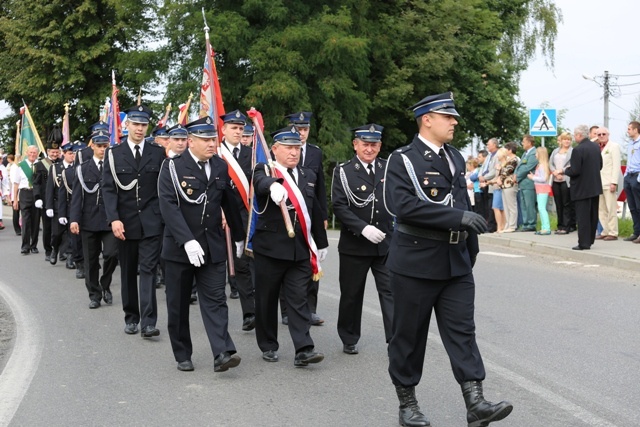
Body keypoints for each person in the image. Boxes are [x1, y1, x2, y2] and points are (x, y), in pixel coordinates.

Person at [384, 92, 512, 427]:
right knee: (409, 336)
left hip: (455, 261)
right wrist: (457, 219)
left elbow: (462, 201)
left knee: (462, 332)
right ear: (427, 119)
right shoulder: (403, 159)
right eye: (447, 117)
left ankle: (476, 403)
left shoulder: (455, 156)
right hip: (415, 262)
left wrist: (469, 247)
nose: (454, 122)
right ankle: (407, 405)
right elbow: (404, 206)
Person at [158, 116, 246, 372]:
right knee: (178, 303)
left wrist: (239, 236)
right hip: (179, 249)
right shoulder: (172, 168)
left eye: (213, 139)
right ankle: (182, 353)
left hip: (212, 246)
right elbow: (168, 206)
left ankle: (222, 353)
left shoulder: (219, 166)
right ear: (191, 141)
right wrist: (187, 241)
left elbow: (229, 203)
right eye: (206, 140)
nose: (211, 144)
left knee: (216, 299)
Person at [251, 126, 329, 367]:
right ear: (275, 149)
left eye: (297, 148)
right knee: (266, 299)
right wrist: (272, 185)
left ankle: (304, 348)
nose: (294, 152)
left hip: (299, 250)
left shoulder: (308, 175)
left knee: (298, 299)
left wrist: (321, 242)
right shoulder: (265, 168)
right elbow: (260, 181)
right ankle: (268, 344)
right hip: (271, 249)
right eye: (288, 148)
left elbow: (314, 210)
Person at [102, 104, 166, 337]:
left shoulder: (157, 153)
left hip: (151, 221)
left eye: (143, 124)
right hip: (125, 223)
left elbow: (162, 188)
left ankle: (149, 322)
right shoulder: (114, 154)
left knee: (148, 269)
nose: (140, 129)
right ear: (126, 125)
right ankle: (131, 317)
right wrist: (114, 219)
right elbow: (108, 190)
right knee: (128, 270)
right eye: (135, 124)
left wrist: (160, 216)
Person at [331, 124, 393, 355]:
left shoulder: (389, 168)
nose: (370, 149)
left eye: (374, 144)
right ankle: (349, 337)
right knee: (351, 294)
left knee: (391, 292)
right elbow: (338, 205)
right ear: (355, 145)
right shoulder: (344, 171)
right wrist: (363, 228)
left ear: (380, 146)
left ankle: (394, 339)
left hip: (386, 243)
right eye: (365, 144)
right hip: (355, 244)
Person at [282, 111, 327, 326]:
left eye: (305, 129)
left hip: (310, 215)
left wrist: (323, 217)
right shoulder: (282, 150)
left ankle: (310, 309)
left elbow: (320, 188)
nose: (302, 133)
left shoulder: (316, 153)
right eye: (298, 129)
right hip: (289, 215)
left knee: (312, 260)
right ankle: (285, 310)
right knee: (286, 261)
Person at [69, 131, 118, 309]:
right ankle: (94, 295)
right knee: (90, 261)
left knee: (111, 254)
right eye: (99, 146)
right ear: (93, 147)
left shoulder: (114, 166)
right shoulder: (82, 168)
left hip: (109, 220)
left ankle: (105, 284)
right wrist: (74, 219)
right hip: (88, 220)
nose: (103, 149)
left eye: (106, 146)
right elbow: (77, 197)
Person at [219, 109, 255, 331]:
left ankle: (250, 312)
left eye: (241, 128)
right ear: (223, 130)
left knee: (246, 265)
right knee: (228, 265)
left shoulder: (251, 154)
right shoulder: (216, 154)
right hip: (221, 217)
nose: (238, 132)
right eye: (234, 128)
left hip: (247, 217)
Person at [562, 124, 603, 250]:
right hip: (594, 186)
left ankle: (583, 243)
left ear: (579, 135)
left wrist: (565, 171)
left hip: (581, 188)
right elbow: (600, 165)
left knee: (583, 216)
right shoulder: (595, 147)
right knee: (592, 215)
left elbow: (575, 171)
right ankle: (590, 240)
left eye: (575, 135)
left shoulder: (578, 150)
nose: (574, 138)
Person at [33, 127, 62, 262]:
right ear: (48, 152)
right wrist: (37, 197)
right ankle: (48, 250)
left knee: (60, 227)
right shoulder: (40, 165)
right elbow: (37, 183)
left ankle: (60, 249)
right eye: (53, 152)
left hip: (60, 200)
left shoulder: (63, 164)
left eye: (57, 151)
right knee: (48, 227)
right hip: (46, 200)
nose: (55, 154)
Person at [58, 142, 85, 278]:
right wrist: (62, 213)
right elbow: (63, 194)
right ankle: (78, 262)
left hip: (90, 211)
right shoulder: (68, 173)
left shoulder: (91, 169)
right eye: (75, 153)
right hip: (73, 210)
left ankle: (88, 262)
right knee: (75, 239)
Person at [47, 141, 75, 266]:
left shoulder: (78, 168)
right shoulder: (55, 168)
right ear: (63, 154)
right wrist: (49, 206)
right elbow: (50, 188)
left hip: (73, 205)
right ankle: (55, 249)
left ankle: (70, 257)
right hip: (59, 205)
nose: (72, 156)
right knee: (57, 233)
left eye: (74, 153)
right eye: (70, 153)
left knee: (71, 233)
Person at [11, 145, 41, 255]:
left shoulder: (40, 165)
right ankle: (25, 246)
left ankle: (34, 245)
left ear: (37, 154)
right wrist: (15, 199)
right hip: (24, 193)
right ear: (27, 153)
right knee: (25, 220)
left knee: (36, 220)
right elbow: (16, 184)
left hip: (36, 194)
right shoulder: (20, 166)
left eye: (34, 153)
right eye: (31, 152)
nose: (32, 154)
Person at [594, 127, 621, 241]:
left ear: (608, 134)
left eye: (603, 134)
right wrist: (594, 139)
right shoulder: (596, 147)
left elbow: (616, 166)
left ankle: (613, 231)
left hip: (609, 181)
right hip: (598, 182)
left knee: (611, 208)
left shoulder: (614, 146)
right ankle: (604, 231)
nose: (601, 136)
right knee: (601, 209)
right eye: (598, 134)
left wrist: (614, 182)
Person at [549, 132, 576, 234]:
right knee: (558, 203)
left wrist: (561, 171)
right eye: (565, 139)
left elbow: (571, 164)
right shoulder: (555, 151)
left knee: (566, 204)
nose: (567, 141)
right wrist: (555, 172)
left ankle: (566, 226)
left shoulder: (573, 151)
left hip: (566, 179)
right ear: (561, 140)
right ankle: (559, 225)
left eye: (569, 139)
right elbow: (550, 163)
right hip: (556, 179)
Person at [514, 134, 538, 231]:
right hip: (523, 183)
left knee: (529, 204)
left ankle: (531, 224)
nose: (522, 144)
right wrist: (515, 174)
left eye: (523, 141)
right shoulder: (525, 153)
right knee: (523, 204)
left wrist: (517, 176)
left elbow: (527, 167)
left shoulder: (534, 153)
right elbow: (519, 166)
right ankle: (526, 223)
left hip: (529, 183)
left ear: (529, 142)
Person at [528, 147, 552, 235]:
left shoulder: (543, 166)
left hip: (542, 189)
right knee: (540, 208)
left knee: (542, 208)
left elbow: (544, 178)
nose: (535, 155)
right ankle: (544, 227)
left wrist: (533, 177)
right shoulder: (541, 165)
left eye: (536, 153)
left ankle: (546, 227)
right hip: (540, 189)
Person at [623, 121, 640, 243]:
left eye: (629, 129)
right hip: (629, 175)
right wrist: (625, 175)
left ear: (636, 130)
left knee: (639, 206)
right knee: (632, 207)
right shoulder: (630, 143)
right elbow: (629, 160)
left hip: (637, 176)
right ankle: (636, 232)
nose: (627, 131)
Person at [497, 142, 519, 233]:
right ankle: (508, 224)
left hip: (510, 184)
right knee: (506, 206)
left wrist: (500, 177)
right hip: (505, 185)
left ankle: (512, 225)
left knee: (511, 206)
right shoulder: (509, 159)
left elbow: (507, 170)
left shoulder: (514, 160)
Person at [478, 140, 499, 232]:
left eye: (488, 144)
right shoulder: (489, 155)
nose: (487, 146)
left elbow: (495, 170)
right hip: (485, 183)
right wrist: (480, 176)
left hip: (492, 182)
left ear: (494, 145)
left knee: (492, 206)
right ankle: (487, 225)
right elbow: (483, 167)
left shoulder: (498, 155)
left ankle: (491, 227)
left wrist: (485, 177)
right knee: (486, 206)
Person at [484, 148, 506, 233]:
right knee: (498, 208)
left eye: (499, 155)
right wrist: (488, 183)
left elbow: (500, 177)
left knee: (498, 207)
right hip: (496, 187)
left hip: (500, 188)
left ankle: (501, 226)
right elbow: (496, 178)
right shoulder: (499, 164)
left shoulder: (504, 165)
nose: (497, 156)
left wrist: (488, 182)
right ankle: (500, 226)